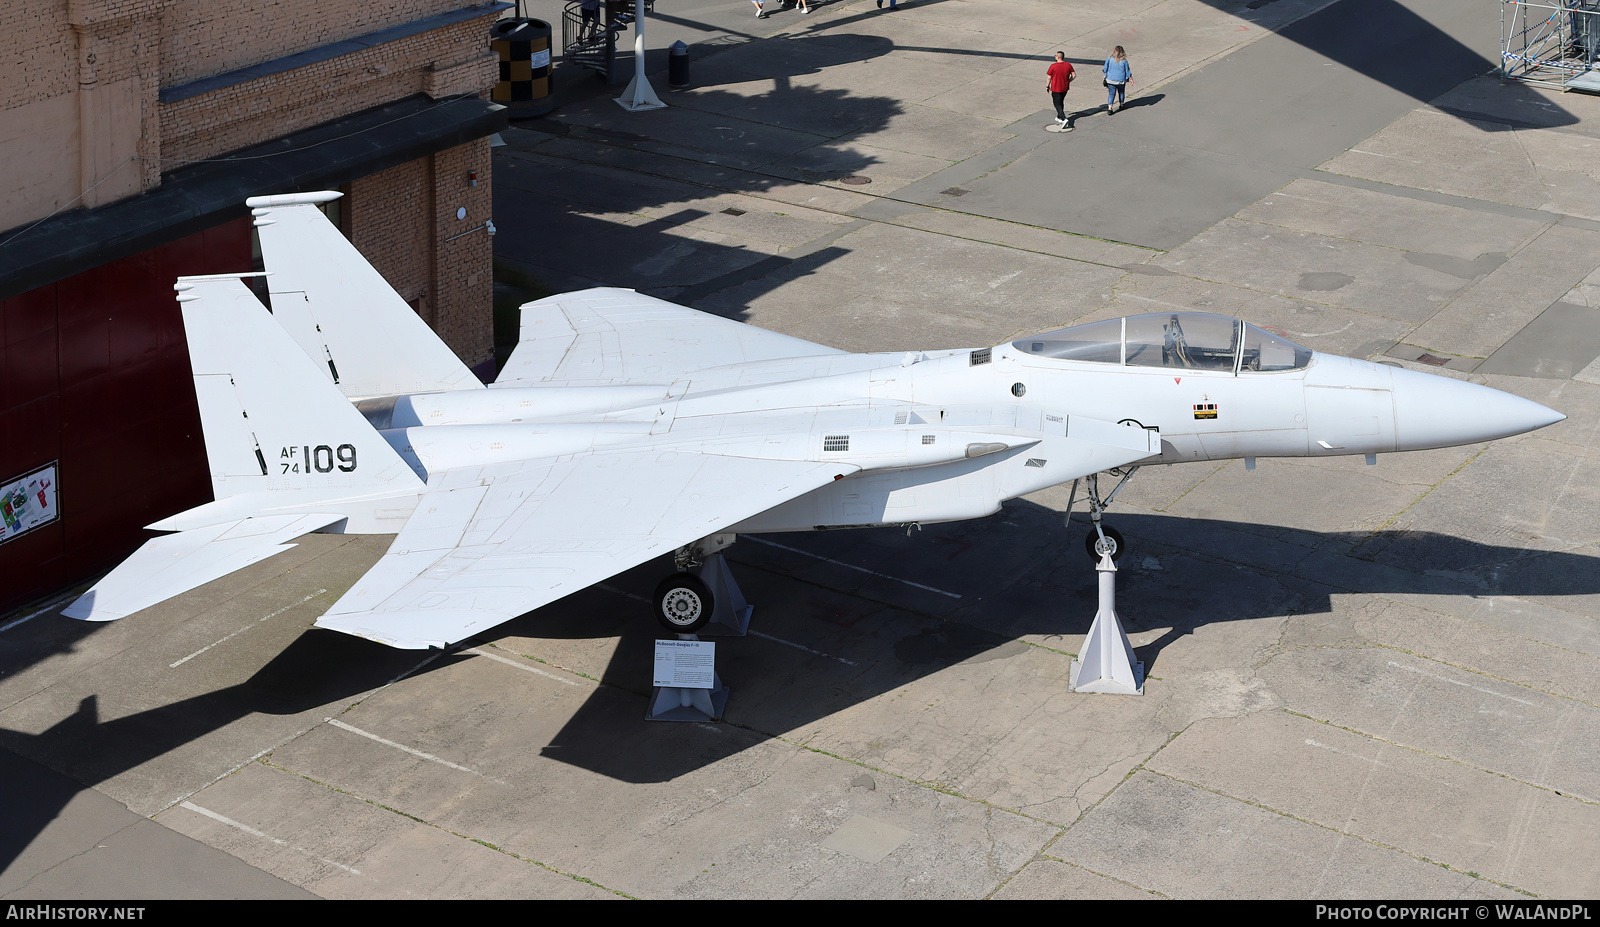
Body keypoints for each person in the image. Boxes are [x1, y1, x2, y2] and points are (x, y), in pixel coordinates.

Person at [1046, 51, 1075, 130]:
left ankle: (1064, 119)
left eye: (1055, 55)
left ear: (1058, 57)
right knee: (1061, 101)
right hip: (1065, 88)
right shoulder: (1068, 65)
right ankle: (1059, 116)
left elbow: (1049, 77)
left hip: (1056, 88)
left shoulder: (1053, 66)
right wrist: (1068, 81)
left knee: (1057, 103)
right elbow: (1074, 75)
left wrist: (1047, 86)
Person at [1103, 46, 1131, 114]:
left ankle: (1110, 108)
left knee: (1111, 94)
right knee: (1121, 92)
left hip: (1111, 80)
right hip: (1121, 81)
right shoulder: (1124, 61)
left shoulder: (1109, 59)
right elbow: (1127, 71)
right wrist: (1130, 78)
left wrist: (1105, 74)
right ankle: (1121, 104)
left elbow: (1105, 69)